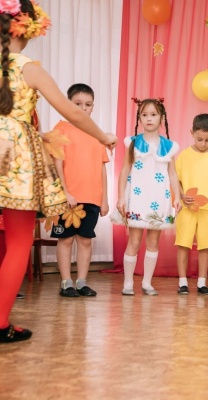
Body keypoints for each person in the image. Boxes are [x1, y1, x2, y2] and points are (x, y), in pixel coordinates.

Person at [0, 1, 116, 343]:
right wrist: (103, 136)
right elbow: (73, 114)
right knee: (18, 242)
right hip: (16, 159)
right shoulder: (29, 69)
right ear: (26, 29)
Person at [111, 98, 181, 296]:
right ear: (139, 118)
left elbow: (173, 174)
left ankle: (147, 283)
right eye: (144, 115)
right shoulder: (133, 143)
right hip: (137, 197)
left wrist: (177, 197)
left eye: (153, 114)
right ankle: (128, 283)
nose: (149, 119)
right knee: (134, 242)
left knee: (152, 242)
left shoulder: (169, 146)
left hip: (159, 198)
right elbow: (124, 170)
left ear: (161, 117)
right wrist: (121, 197)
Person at [51, 84, 109, 298]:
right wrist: (64, 192)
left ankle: (82, 282)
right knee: (66, 239)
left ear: (93, 106)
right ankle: (66, 282)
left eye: (88, 104)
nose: (83, 108)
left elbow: (102, 167)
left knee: (85, 240)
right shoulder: (61, 129)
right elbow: (57, 163)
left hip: (92, 196)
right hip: (68, 198)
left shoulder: (96, 133)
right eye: (78, 104)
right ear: (68, 105)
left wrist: (104, 198)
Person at [175, 114, 208, 295]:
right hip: (187, 208)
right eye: (199, 139)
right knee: (183, 243)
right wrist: (182, 196)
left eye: (207, 140)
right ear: (191, 133)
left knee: (206, 245)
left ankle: (201, 283)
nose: (203, 143)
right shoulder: (184, 156)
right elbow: (176, 182)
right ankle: (182, 282)